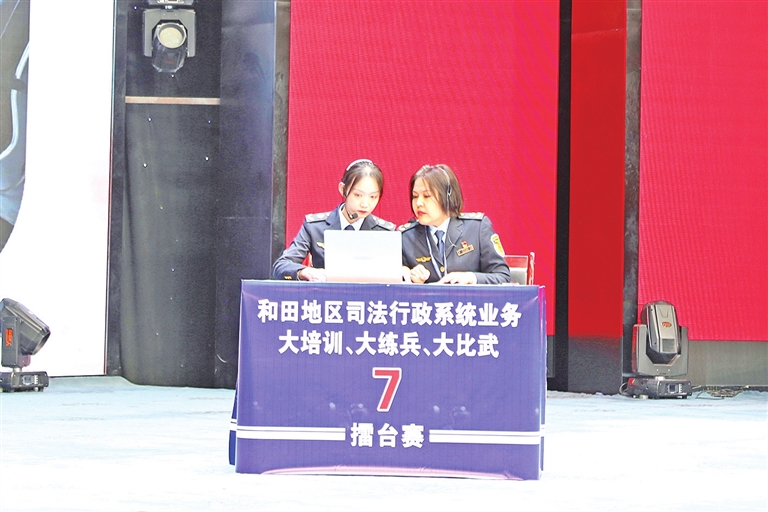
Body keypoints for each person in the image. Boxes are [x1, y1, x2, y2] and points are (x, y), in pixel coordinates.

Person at [272, 159, 395, 281]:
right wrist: (304, 272)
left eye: (373, 197)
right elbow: (282, 265)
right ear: (343, 189)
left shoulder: (385, 232)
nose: (365, 204)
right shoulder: (315, 227)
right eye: (358, 195)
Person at [400, 164, 511, 284]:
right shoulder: (405, 237)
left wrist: (470, 278)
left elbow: (502, 276)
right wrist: (407, 275)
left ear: (448, 197)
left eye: (427, 196)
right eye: (415, 196)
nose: (419, 203)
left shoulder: (477, 228)